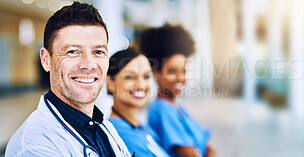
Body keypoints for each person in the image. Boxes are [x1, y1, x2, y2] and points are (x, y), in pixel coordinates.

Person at [5, 2, 130, 157]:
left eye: (98, 51)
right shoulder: (35, 145)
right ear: (46, 60)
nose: (89, 65)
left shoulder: (104, 128)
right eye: (73, 52)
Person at [138, 24, 216, 157]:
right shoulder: (162, 110)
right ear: (156, 72)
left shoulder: (177, 107)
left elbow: (209, 148)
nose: (181, 78)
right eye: (172, 71)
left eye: (183, 71)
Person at [107, 47, 170, 157]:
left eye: (146, 76)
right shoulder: (118, 132)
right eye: (130, 77)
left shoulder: (141, 127)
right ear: (110, 83)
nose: (141, 85)